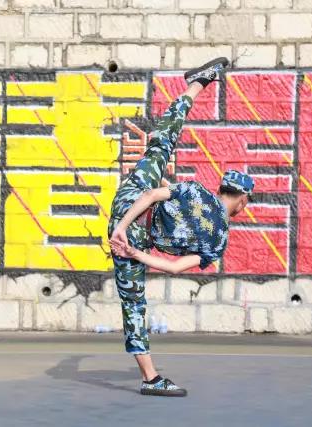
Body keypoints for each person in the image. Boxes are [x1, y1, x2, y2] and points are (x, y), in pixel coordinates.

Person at [107, 57, 255, 397]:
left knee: (163, 142)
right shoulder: (218, 241)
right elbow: (174, 267)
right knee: (133, 304)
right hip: (134, 237)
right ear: (242, 200)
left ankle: (197, 84)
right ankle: (150, 378)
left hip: (130, 200)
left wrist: (122, 225)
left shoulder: (196, 191)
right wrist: (132, 250)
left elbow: (151, 194)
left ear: (222, 188)